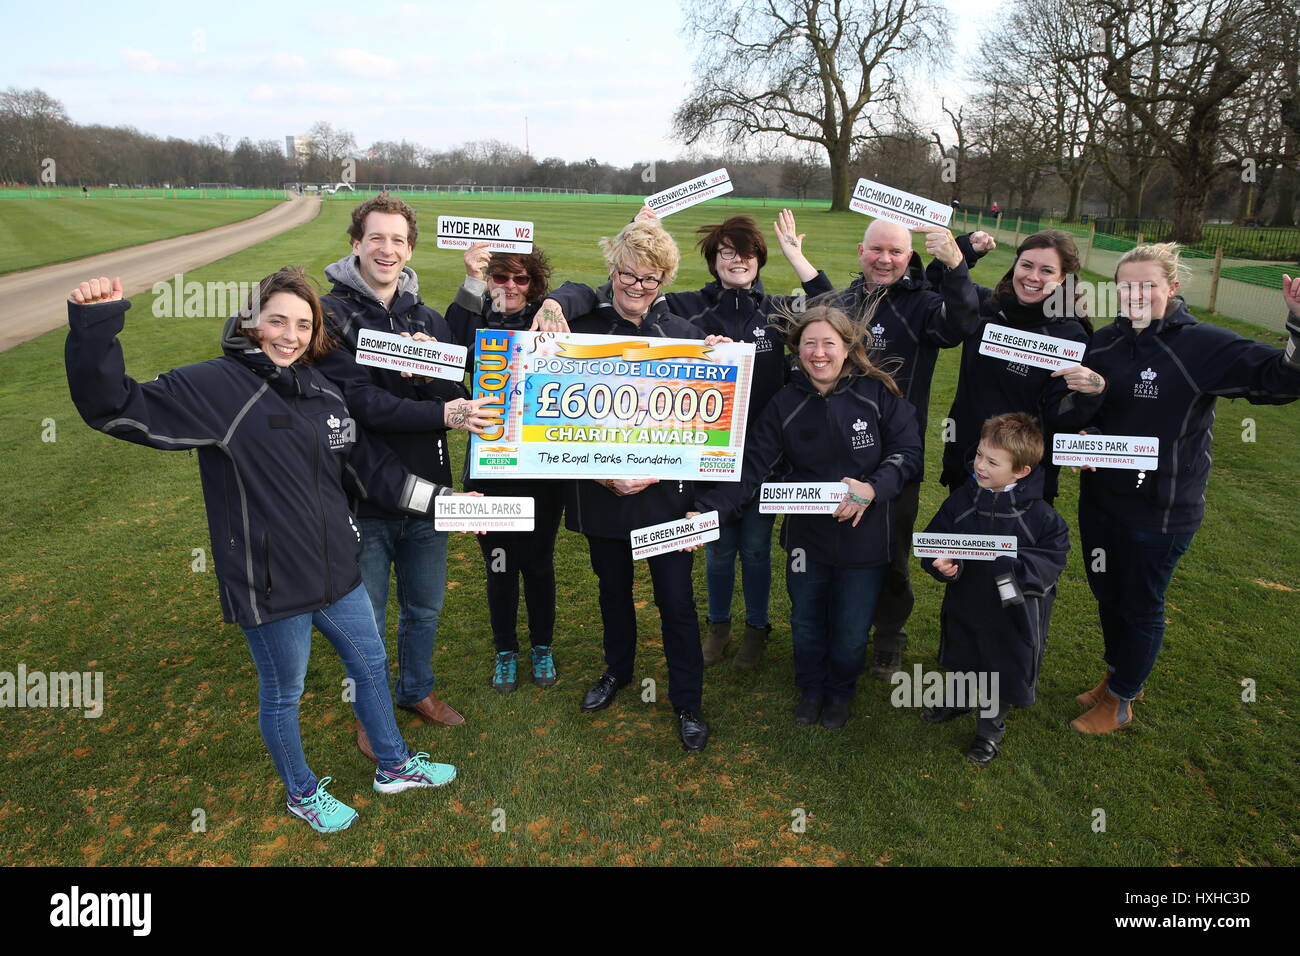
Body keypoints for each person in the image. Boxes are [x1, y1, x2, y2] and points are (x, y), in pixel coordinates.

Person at [64, 268, 469, 833]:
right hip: (270, 581)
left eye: (303, 324)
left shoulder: (324, 391)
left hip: (337, 573)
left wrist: (450, 505)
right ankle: (303, 793)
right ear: (250, 320)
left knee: (372, 665)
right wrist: (95, 326)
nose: (290, 334)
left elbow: (372, 473)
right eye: (277, 319)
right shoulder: (215, 385)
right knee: (285, 692)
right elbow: (114, 405)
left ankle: (394, 766)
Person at [569, 207, 832, 670]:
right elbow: (630, 297)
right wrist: (640, 234)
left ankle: (755, 629)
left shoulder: (778, 310)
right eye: (727, 252)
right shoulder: (687, 306)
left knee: (754, 549)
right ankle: (718, 627)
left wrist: (796, 255)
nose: (737, 260)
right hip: (700, 456)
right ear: (713, 260)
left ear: (759, 260)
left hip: (761, 457)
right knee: (715, 548)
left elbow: (833, 309)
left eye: (747, 253)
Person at [1056, 247, 1300, 733]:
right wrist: (1084, 428)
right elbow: (1082, 412)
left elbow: (1280, 380)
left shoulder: (1200, 344)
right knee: (1108, 592)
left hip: (1162, 508)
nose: (1136, 295)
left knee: (1141, 602)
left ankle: (1122, 700)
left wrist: (1298, 325)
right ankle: (1117, 676)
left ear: (1172, 288)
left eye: (1148, 285)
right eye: (1127, 285)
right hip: (1102, 499)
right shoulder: (1103, 343)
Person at [315, 193, 495, 754]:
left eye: (397, 240)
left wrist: (427, 377)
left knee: (425, 607)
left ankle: (416, 689)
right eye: (376, 237)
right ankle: (369, 715)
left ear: (409, 248)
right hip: (364, 497)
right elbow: (360, 403)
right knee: (365, 618)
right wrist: (439, 410)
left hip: (429, 498)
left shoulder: (426, 318)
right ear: (356, 244)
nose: (387, 249)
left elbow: (458, 388)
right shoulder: (333, 316)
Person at [696, 304, 922, 729]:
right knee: (805, 620)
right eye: (809, 344)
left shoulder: (876, 393)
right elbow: (751, 470)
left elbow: (907, 453)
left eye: (829, 344)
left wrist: (873, 488)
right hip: (807, 541)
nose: (819, 353)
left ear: (848, 348)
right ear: (797, 350)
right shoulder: (785, 403)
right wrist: (706, 513)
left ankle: (840, 690)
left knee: (853, 629)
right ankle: (812, 685)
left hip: (865, 539)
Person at [565, 220, 723, 751]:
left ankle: (687, 701)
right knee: (613, 592)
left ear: (664, 281)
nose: (636, 287)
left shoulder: (684, 337)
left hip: (665, 499)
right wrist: (599, 472)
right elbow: (552, 423)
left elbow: (707, 428)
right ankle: (618, 671)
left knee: (675, 601)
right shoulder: (578, 330)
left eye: (649, 280)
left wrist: (717, 361)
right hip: (603, 493)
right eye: (627, 275)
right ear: (612, 272)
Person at [830, 218, 983, 681]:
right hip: (838, 447)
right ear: (861, 251)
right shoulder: (843, 302)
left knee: (891, 547)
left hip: (900, 450)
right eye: (876, 249)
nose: (885, 259)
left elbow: (960, 324)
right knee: (832, 542)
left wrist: (957, 264)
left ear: (909, 256)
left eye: (895, 252)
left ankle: (889, 636)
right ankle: (833, 626)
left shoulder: (924, 304)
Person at [444, 243, 592, 693]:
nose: (510, 287)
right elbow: (448, 348)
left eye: (521, 280)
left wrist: (552, 304)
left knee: (539, 563)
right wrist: (471, 281)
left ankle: (542, 646)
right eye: (500, 278)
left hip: (541, 471)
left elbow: (587, 291)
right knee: (500, 566)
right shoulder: (474, 322)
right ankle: (506, 650)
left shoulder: (549, 320)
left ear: (534, 286)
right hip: (488, 469)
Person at [918, 413, 1070, 765]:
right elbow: (932, 542)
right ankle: (956, 699)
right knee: (962, 654)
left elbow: (1052, 560)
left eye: (992, 462)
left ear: (1022, 471)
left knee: (1000, 667)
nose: (980, 466)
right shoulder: (961, 501)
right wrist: (941, 564)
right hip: (966, 602)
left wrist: (1011, 570)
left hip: (1012, 614)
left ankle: (989, 729)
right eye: (979, 456)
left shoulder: (1043, 518)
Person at [934, 230, 1093, 504]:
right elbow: (934, 283)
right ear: (1015, 266)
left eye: (1046, 270)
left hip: (1023, 475)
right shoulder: (985, 308)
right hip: (969, 459)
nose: (1032, 277)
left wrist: (1091, 390)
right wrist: (966, 250)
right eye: (1027, 265)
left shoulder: (1070, 335)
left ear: (1062, 279)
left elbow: (1063, 414)